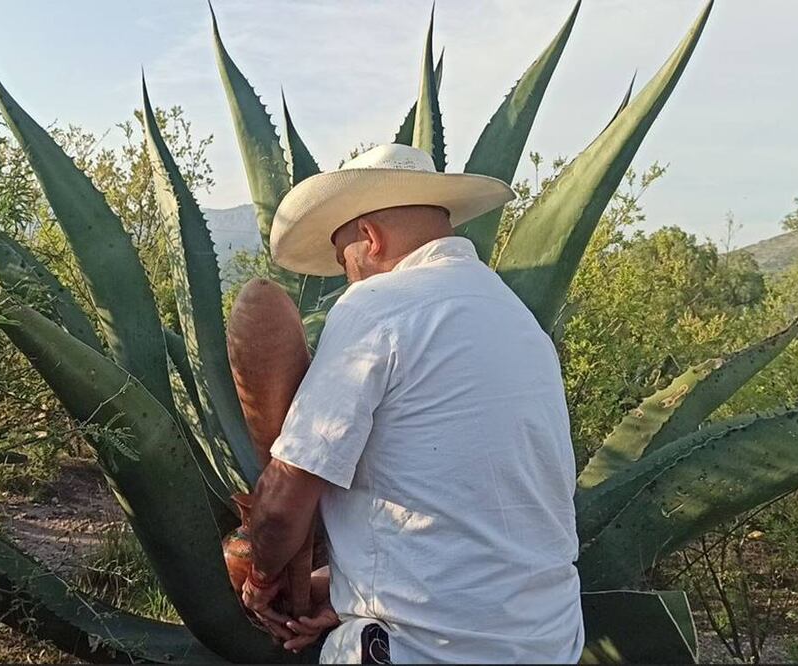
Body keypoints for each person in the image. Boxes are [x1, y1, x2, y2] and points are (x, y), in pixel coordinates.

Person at [240, 143, 584, 663]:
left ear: (370, 238)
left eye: (344, 259)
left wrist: (262, 578)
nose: (348, 276)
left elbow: (289, 492)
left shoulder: (377, 307)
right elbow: (475, 510)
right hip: (547, 642)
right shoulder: (517, 321)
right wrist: (345, 588)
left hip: (423, 650)